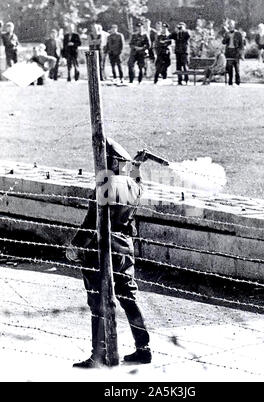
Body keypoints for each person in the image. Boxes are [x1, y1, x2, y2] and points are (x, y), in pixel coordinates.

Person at [66, 138, 152, 368]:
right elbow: (138, 183)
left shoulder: (104, 184)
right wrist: (136, 167)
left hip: (102, 249)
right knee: (128, 297)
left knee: (98, 301)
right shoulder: (133, 186)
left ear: (111, 161)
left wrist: (74, 246)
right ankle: (143, 348)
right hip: (125, 247)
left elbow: (91, 222)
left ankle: (100, 354)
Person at [222, 19, 244, 86]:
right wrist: (226, 37)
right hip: (229, 52)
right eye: (230, 24)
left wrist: (241, 54)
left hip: (236, 52)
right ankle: (230, 82)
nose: (231, 26)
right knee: (229, 69)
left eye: (232, 24)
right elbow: (223, 42)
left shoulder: (238, 34)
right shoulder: (227, 33)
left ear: (234, 25)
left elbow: (241, 45)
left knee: (237, 69)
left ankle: (237, 82)